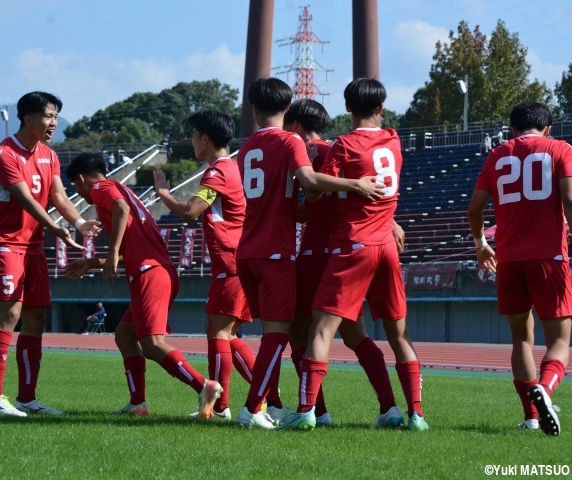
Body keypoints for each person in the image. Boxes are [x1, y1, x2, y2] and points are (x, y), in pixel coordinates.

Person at [234, 77, 386, 429]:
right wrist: (357, 186)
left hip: (248, 251)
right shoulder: (294, 142)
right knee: (283, 335)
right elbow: (311, 183)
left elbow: (282, 200)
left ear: (254, 110)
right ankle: (254, 408)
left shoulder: (246, 149)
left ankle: (310, 410)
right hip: (286, 253)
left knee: (288, 335)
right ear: (287, 111)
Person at [279, 78, 429, 431]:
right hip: (380, 246)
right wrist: (390, 221)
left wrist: (279, 210)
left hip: (331, 250)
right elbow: (374, 186)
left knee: (307, 334)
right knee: (364, 335)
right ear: (380, 107)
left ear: (295, 126)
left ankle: (311, 411)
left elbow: (315, 197)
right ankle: (399, 410)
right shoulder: (391, 139)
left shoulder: (322, 151)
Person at [64, 153, 222, 419]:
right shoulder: (124, 191)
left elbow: (120, 211)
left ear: (81, 179)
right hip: (156, 271)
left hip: (151, 273)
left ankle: (204, 386)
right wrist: (92, 263)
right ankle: (138, 404)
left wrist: (112, 251)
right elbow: (133, 247)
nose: (79, 194)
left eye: (76, 188)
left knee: (151, 343)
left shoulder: (101, 187)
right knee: (125, 336)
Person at [0, 91, 102, 418]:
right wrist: (57, 228)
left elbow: (57, 194)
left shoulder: (49, 154)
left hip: (33, 247)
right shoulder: (3, 153)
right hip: (6, 243)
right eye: (48, 116)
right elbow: (26, 200)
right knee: (10, 315)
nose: (53, 123)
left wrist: (77, 222)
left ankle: (27, 399)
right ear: (28, 118)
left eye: (56, 117)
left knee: (37, 318)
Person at [467, 102, 572, 436]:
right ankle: (546, 388)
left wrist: (482, 244)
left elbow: (474, 208)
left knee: (520, 339)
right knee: (559, 340)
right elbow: (569, 198)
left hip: (509, 260)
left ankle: (530, 417)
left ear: (512, 129)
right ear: (548, 128)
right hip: (549, 258)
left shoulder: (498, 155)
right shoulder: (560, 148)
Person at [152, 110, 259, 421]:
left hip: (231, 259)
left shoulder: (217, 172)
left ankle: (220, 407)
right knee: (226, 333)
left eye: (194, 135)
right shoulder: (234, 168)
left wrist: (163, 194)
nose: (192, 141)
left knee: (220, 334)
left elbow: (190, 211)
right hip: (237, 259)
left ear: (205, 139)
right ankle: (267, 397)